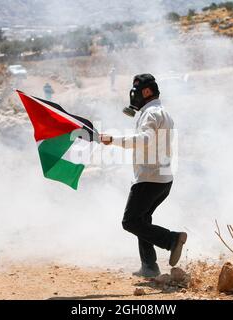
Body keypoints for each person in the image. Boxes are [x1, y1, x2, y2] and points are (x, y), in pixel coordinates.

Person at [100, 74, 187, 278]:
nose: (134, 96)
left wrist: (113, 139)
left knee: (130, 222)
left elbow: (145, 139)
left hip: (149, 178)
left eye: (137, 92)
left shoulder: (150, 114)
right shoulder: (164, 113)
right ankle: (149, 266)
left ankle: (171, 240)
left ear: (146, 92)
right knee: (142, 220)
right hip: (164, 179)